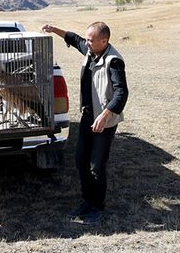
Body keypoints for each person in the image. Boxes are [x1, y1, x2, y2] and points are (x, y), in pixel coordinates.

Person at [42, 22, 128, 225]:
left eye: (90, 40)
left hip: (103, 122)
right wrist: (54, 30)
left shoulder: (113, 61)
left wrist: (105, 115)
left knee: (96, 166)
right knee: (81, 161)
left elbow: (122, 92)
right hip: (88, 117)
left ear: (103, 41)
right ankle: (87, 202)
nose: (86, 43)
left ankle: (97, 208)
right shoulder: (92, 51)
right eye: (87, 39)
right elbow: (74, 39)